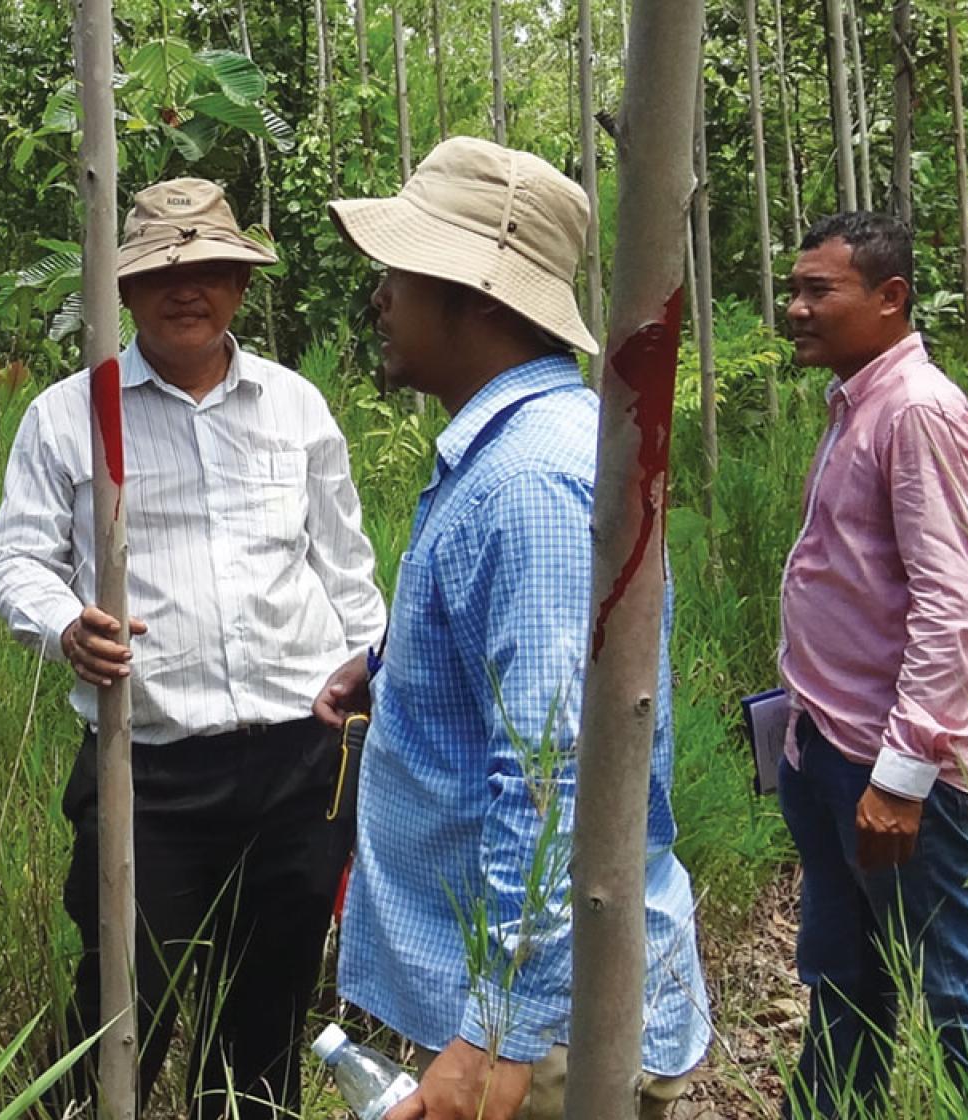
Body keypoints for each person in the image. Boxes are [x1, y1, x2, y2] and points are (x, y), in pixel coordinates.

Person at [314, 137, 711, 1120]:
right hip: (528, 1018)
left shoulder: (530, 483)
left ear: (480, 298)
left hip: (543, 1039)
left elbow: (556, 779)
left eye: (401, 274)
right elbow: (534, 670)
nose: (380, 298)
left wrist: (495, 1038)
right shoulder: (517, 454)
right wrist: (394, 666)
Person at [0, 177, 386, 1120]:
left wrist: (372, 678)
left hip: (299, 760)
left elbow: (348, 569)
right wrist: (63, 625)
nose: (187, 288)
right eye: (163, 271)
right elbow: (16, 559)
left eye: (209, 268)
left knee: (266, 1011)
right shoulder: (70, 414)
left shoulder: (295, 408)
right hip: (146, 773)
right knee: (118, 1011)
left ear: (240, 285)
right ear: (125, 290)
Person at [776, 211, 968, 1117]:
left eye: (817, 291)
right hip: (831, 748)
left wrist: (904, 777)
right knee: (843, 984)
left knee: (954, 997)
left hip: (891, 769)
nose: (794, 308)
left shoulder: (916, 411)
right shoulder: (860, 404)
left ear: (891, 299)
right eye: (792, 290)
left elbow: (958, 607)